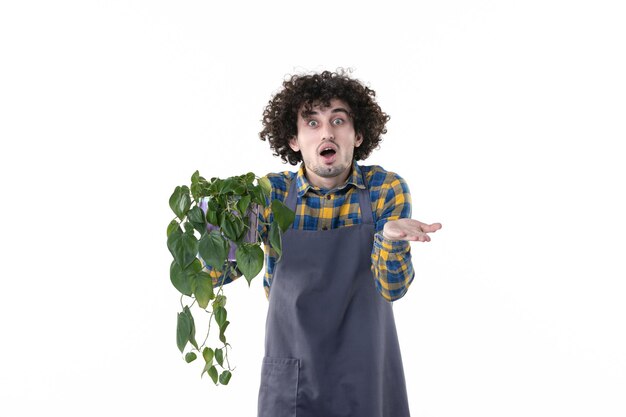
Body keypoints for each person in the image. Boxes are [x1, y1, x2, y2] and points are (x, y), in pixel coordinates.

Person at [203, 69, 442, 417]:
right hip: (292, 380)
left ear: (358, 134)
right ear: (294, 139)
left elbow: (392, 288)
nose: (327, 132)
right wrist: (212, 220)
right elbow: (217, 275)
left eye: (338, 120)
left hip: (367, 376)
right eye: (312, 123)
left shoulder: (383, 190)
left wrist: (389, 239)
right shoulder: (269, 195)